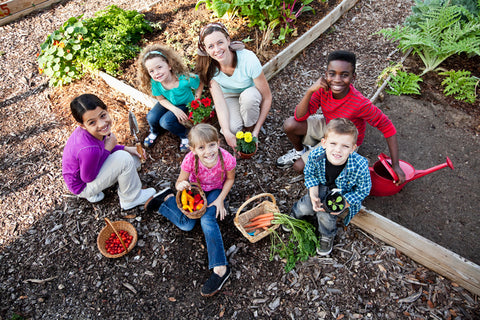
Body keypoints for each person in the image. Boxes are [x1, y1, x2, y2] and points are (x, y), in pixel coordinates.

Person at [276, 50, 406, 185]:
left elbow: (388, 127)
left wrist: (395, 164)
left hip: (344, 137)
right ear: (326, 75)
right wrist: (310, 91)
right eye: (332, 74)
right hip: (329, 125)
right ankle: (300, 151)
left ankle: (336, 167)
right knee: (290, 124)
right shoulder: (322, 90)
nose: (337, 80)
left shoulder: (360, 104)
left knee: (299, 167)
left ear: (353, 77)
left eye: (344, 75)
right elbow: (299, 116)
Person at [144, 123, 236, 297]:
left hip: (216, 190)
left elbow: (230, 179)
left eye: (212, 145)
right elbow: (180, 182)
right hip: (195, 190)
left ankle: (220, 268)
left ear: (218, 143)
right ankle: (166, 201)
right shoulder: (189, 160)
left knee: (207, 219)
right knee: (187, 225)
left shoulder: (227, 159)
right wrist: (181, 186)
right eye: (201, 147)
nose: (208, 152)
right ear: (193, 150)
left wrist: (220, 200)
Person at [289, 118, 372, 256]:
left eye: (345, 146)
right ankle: (294, 215)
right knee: (305, 205)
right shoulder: (315, 155)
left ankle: (327, 235)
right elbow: (310, 175)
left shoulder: (360, 165)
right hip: (320, 186)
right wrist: (314, 195)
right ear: (324, 143)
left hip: (342, 194)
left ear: (353, 148)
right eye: (333, 143)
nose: (338, 150)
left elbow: (363, 189)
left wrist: (344, 203)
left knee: (326, 216)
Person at [62, 94, 156, 210]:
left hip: (83, 173)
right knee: (124, 159)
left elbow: (103, 147)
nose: (101, 124)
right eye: (92, 122)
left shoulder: (90, 133)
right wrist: (108, 149)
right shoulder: (89, 150)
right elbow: (88, 178)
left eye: (102, 115)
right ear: (82, 125)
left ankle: (96, 193)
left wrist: (126, 148)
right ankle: (131, 199)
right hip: (83, 186)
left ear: (106, 110)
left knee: (133, 158)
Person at [195, 22, 272, 150]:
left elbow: (267, 97)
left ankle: (250, 127)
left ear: (228, 40)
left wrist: (255, 132)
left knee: (249, 99)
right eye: (211, 46)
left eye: (220, 42)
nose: (217, 49)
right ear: (206, 50)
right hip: (229, 96)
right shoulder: (209, 68)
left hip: (250, 92)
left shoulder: (248, 59)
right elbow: (219, 103)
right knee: (232, 129)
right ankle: (243, 123)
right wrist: (226, 132)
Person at [137, 44, 204, 152]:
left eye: (159, 67)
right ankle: (155, 131)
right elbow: (161, 99)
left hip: (184, 103)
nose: (156, 73)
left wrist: (197, 99)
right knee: (151, 117)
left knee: (166, 122)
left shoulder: (183, 79)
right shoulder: (155, 82)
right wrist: (174, 109)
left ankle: (185, 135)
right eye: (151, 71)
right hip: (167, 102)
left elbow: (200, 82)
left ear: (169, 65)